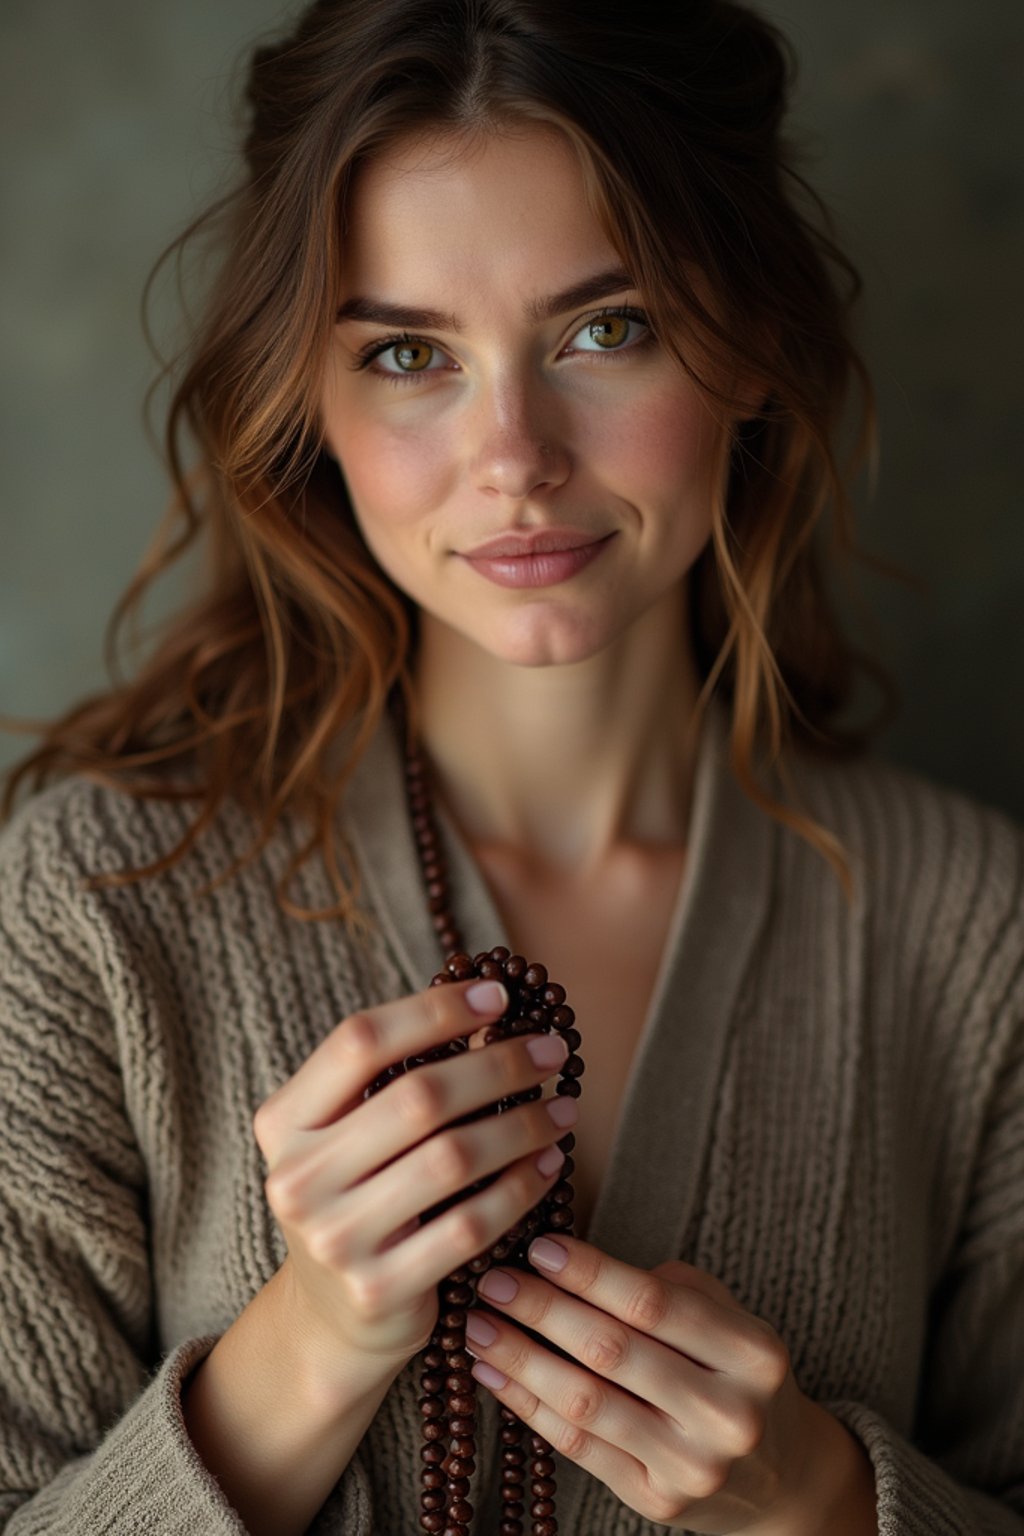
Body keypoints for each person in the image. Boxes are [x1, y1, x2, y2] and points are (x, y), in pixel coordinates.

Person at [1, 1, 1021, 1533]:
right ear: (311, 409)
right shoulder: (86, 903)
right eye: (410, 354)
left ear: (748, 346)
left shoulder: (970, 926)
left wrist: (821, 1504)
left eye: (606, 330)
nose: (515, 455)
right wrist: (304, 1353)